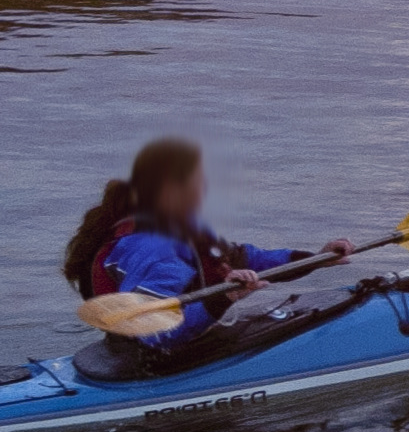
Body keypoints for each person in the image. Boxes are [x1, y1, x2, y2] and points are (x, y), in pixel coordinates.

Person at [59, 137, 352, 375]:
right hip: (151, 360)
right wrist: (223, 299)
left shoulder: (182, 228)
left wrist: (316, 258)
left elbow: (247, 258)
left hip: (171, 342)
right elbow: (152, 334)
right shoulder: (155, 248)